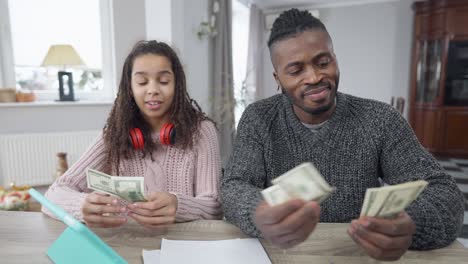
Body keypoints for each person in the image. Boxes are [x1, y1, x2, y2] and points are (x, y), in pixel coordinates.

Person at [220, 8, 464, 261]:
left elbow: (444, 193)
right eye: (295, 71)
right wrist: (258, 212)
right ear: (278, 78)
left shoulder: (380, 119)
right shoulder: (258, 117)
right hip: (281, 254)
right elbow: (234, 186)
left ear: (335, 58)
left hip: (358, 254)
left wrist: (411, 225)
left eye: (323, 62)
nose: (314, 77)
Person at [43, 40, 223, 228]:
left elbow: (215, 207)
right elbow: (54, 193)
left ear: (177, 85)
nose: (153, 90)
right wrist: (81, 206)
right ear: (130, 87)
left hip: (185, 246)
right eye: (142, 82)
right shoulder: (115, 135)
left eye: (164, 81)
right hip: (128, 242)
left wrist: (179, 205)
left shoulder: (201, 131)